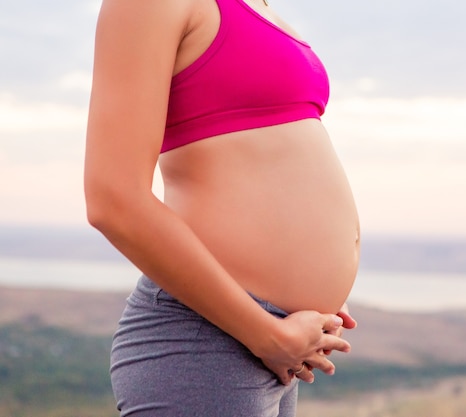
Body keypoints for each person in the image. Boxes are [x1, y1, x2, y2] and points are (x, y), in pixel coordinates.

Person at [84, 0, 360, 415]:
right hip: (209, 340)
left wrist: (307, 282)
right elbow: (114, 200)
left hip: (267, 338)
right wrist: (265, 333)